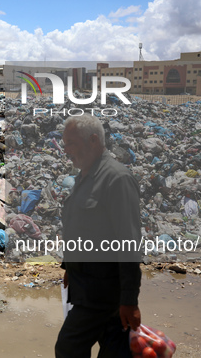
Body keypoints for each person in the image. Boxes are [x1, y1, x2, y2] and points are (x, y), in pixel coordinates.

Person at [55, 114, 142, 358]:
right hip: (87, 285)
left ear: (93, 140)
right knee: (115, 350)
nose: (66, 150)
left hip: (101, 293)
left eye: (71, 143)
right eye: (65, 144)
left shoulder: (116, 179)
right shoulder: (85, 175)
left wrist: (129, 300)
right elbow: (84, 228)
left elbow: (129, 242)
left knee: (68, 348)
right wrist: (70, 268)